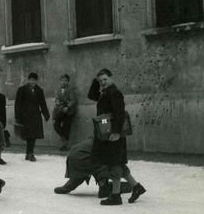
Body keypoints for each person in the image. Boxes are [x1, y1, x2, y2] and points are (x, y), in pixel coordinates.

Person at [90, 69, 146, 205]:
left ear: (111, 78)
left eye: (105, 79)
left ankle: (116, 196)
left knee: (114, 163)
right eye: (101, 80)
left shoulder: (114, 93)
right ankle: (136, 187)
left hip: (113, 134)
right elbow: (91, 95)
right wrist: (95, 81)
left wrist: (116, 133)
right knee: (117, 162)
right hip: (107, 134)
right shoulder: (105, 92)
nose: (103, 82)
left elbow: (119, 114)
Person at [53, 137, 133, 197]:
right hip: (83, 156)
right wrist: (132, 183)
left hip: (73, 156)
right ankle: (103, 186)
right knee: (103, 164)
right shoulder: (109, 144)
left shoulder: (99, 137)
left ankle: (66, 188)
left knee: (79, 175)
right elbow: (117, 165)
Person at [14, 73, 50, 162]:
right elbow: (17, 104)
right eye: (31, 80)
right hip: (25, 116)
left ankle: (30, 153)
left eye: (34, 80)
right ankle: (29, 153)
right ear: (28, 80)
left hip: (35, 116)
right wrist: (17, 116)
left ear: (37, 81)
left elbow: (42, 103)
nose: (33, 81)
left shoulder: (39, 90)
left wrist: (46, 114)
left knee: (32, 136)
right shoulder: (22, 89)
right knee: (29, 136)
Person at [53, 74, 78, 151]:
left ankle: (66, 145)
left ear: (68, 81)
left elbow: (73, 100)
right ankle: (64, 138)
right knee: (56, 124)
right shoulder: (58, 89)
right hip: (61, 110)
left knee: (66, 127)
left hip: (69, 111)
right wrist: (57, 102)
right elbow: (57, 98)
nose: (63, 82)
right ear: (60, 81)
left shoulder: (70, 89)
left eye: (65, 81)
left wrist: (68, 107)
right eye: (62, 80)